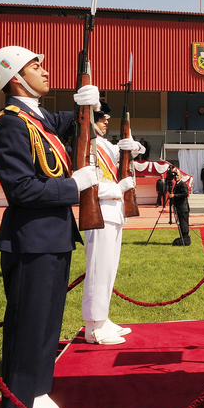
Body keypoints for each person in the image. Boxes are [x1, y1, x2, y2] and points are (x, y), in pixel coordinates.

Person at [0, 45, 101, 408]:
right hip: (30, 240)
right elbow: (21, 189)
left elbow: (69, 122)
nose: (44, 70)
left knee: (48, 326)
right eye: (36, 66)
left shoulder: (38, 118)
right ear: (15, 77)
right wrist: (73, 186)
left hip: (54, 237)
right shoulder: (10, 123)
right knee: (27, 327)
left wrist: (88, 103)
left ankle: (36, 395)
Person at [82, 102, 144, 345]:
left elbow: (132, 152)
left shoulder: (105, 145)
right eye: (101, 118)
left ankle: (102, 318)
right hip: (99, 212)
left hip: (114, 212)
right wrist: (117, 188)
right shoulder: (87, 145)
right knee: (98, 270)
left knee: (109, 270)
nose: (106, 121)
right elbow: (89, 183)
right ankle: (93, 328)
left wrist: (134, 145)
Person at [169, 173, 191, 245]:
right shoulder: (176, 184)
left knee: (184, 224)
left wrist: (174, 195)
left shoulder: (182, 184)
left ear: (181, 176)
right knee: (181, 224)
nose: (176, 177)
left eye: (178, 175)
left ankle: (185, 239)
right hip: (179, 207)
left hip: (183, 208)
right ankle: (183, 239)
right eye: (175, 175)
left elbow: (185, 194)